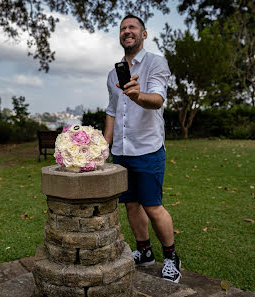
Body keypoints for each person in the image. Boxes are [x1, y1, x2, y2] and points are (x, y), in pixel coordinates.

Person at [104, 14, 181, 283]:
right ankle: (144, 251)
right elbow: (112, 111)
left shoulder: (156, 63)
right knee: (131, 205)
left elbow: (158, 99)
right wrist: (105, 145)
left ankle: (171, 257)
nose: (127, 31)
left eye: (132, 27)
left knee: (153, 206)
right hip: (122, 152)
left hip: (148, 149)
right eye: (123, 28)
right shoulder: (113, 73)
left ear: (143, 34)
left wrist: (138, 95)